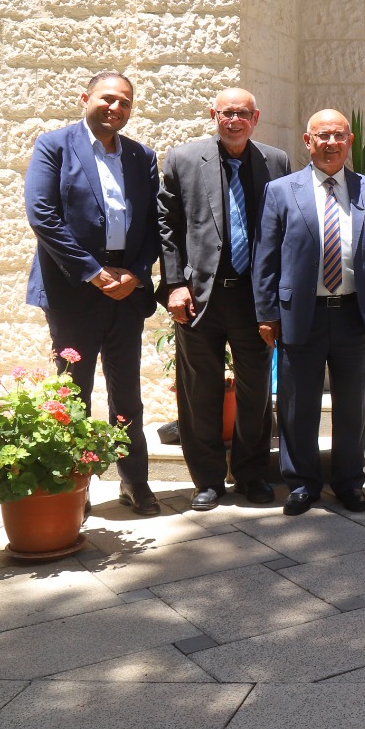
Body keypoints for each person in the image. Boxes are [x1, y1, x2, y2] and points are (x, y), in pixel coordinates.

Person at [24, 71, 162, 515]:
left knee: (127, 394)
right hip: (73, 289)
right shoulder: (54, 146)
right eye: (107, 98)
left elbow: (155, 224)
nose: (115, 108)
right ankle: (74, 487)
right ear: (85, 98)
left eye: (125, 102)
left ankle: (134, 482)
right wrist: (93, 272)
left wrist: (136, 275)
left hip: (126, 291)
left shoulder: (142, 156)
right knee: (73, 394)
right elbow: (42, 215)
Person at [157, 88, 290, 510]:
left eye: (243, 113)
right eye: (227, 113)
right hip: (200, 297)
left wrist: (278, 296)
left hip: (254, 298)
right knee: (199, 390)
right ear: (214, 115)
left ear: (256, 118)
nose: (235, 120)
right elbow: (166, 224)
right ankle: (208, 479)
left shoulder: (276, 162)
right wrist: (174, 284)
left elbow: (285, 229)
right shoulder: (182, 159)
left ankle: (252, 475)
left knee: (255, 391)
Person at [253, 110, 365, 517]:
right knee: (297, 405)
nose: (331, 143)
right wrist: (267, 313)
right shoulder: (280, 191)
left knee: (352, 405)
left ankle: (349, 482)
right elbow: (265, 257)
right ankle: (301, 483)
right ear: (307, 141)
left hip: (352, 314)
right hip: (300, 314)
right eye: (322, 136)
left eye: (339, 136)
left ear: (349, 141)